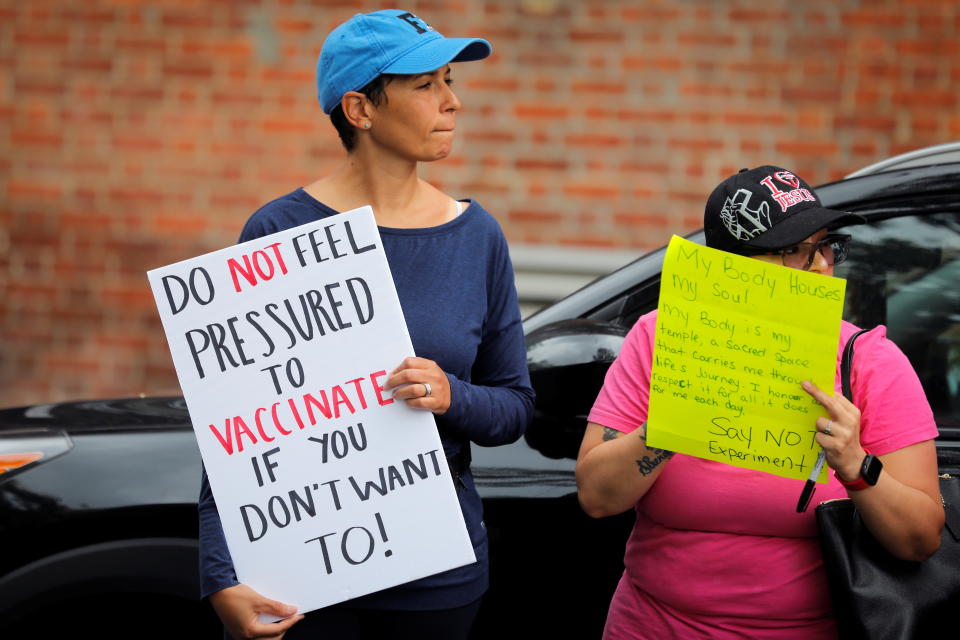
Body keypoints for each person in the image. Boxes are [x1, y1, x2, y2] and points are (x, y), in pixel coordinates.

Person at [198, 10, 534, 640]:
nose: (453, 102)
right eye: (425, 84)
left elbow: (514, 408)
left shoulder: (477, 236)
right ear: (359, 109)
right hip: (297, 580)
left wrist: (450, 395)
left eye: (449, 80)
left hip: (437, 580)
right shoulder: (276, 233)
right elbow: (236, 435)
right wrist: (222, 575)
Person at [575, 166, 944, 639]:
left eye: (826, 245)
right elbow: (597, 499)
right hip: (651, 625)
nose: (823, 266)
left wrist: (856, 466)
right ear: (733, 267)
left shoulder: (868, 362)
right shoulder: (659, 338)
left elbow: (920, 540)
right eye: (794, 251)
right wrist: (675, 418)